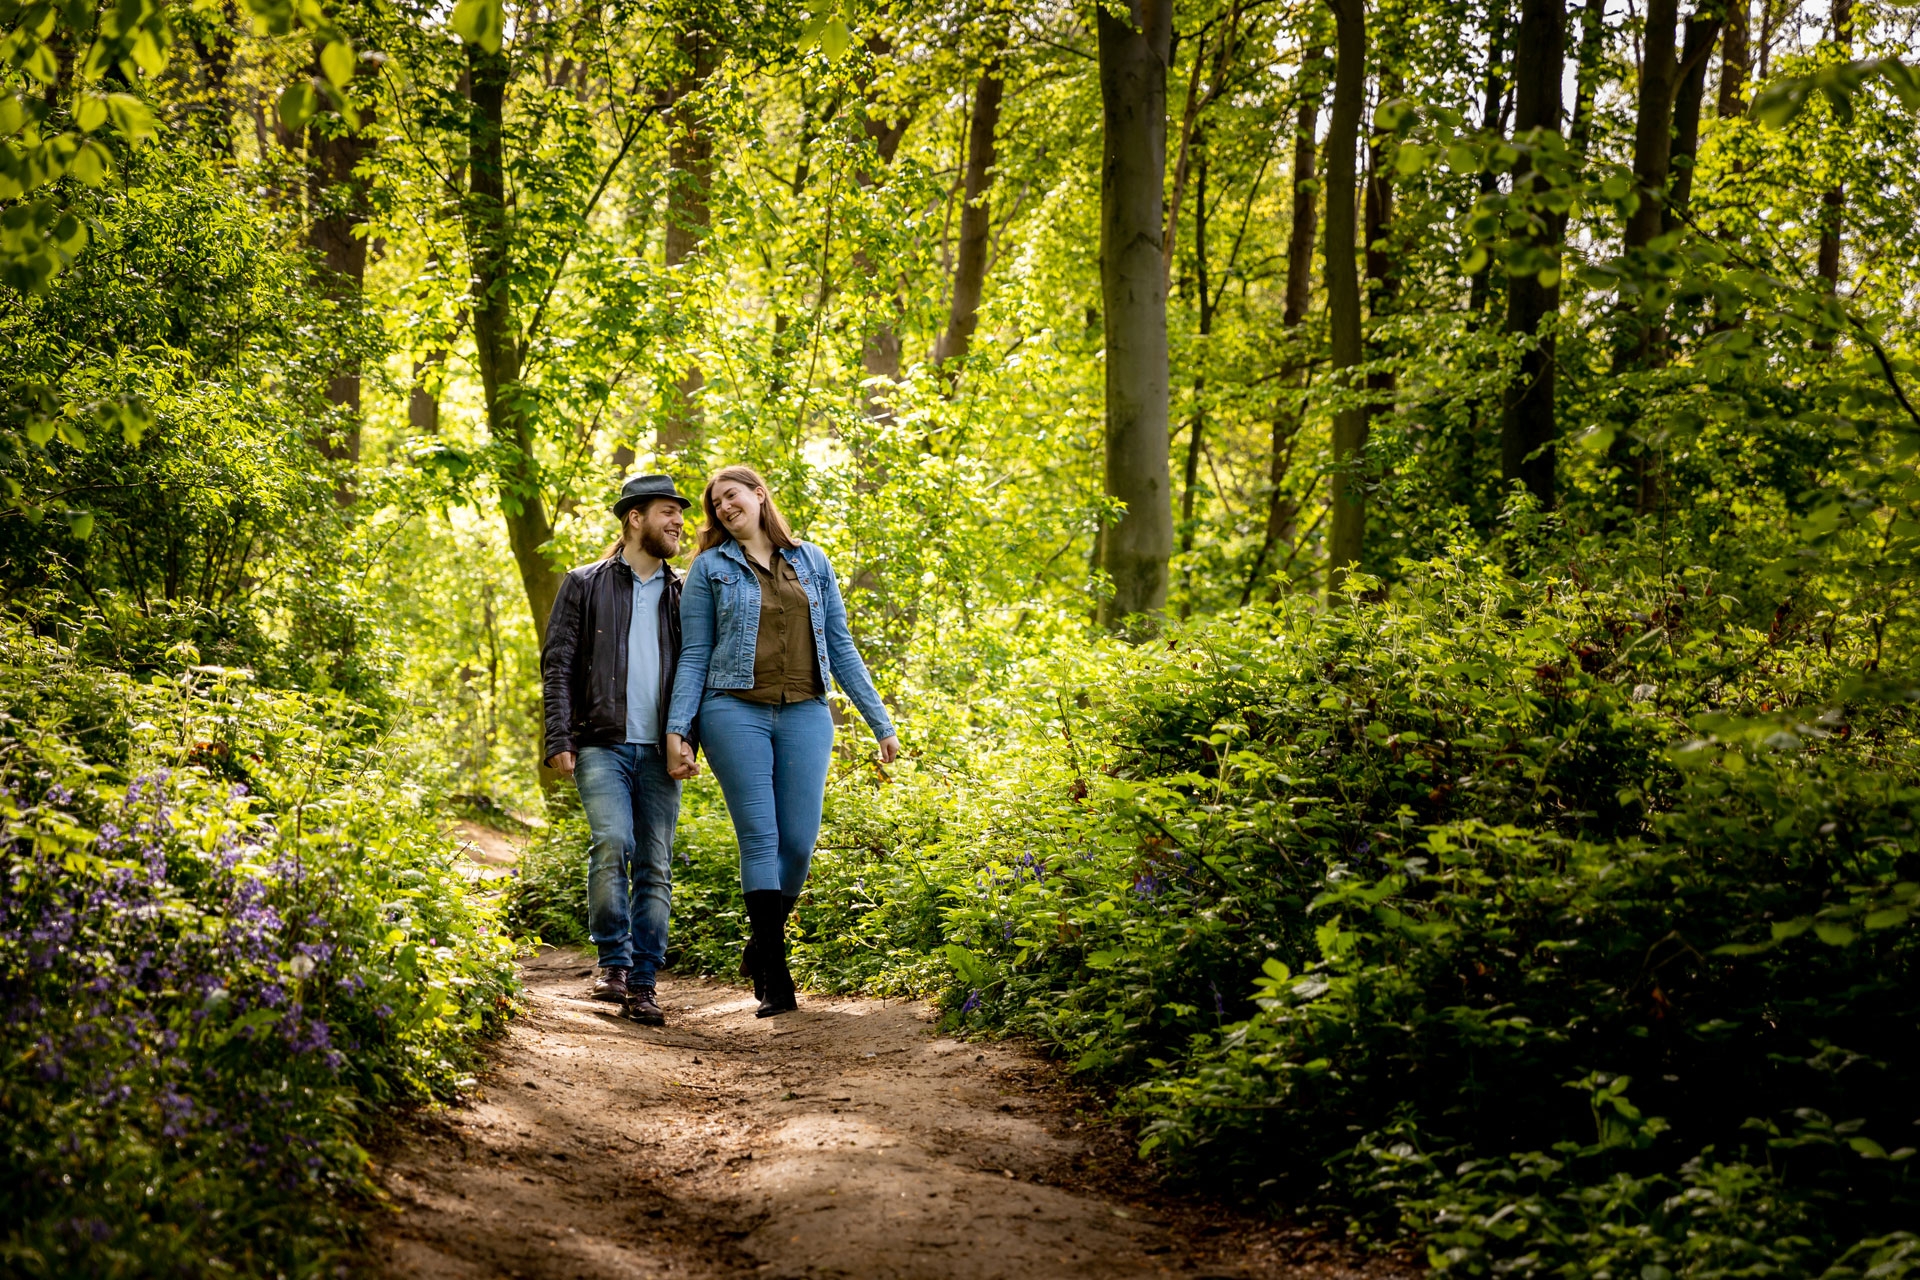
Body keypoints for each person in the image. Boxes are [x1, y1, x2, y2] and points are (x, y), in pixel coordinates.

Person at [666, 465, 901, 1018]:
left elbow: (840, 645)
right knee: (761, 838)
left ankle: (760, 941)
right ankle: (777, 977)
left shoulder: (813, 560)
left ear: (758, 494)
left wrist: (880, 721)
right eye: (715, 503)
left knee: (798, 842)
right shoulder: (709, 569)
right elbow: (694, 653)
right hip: (731, 710)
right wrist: (680, 729)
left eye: (731, 495)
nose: (723, 507)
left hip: (806, 712)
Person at [541, 474, 703, 1027]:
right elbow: (558, 664)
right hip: (600, 742)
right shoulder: (583, 584)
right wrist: (558, 737)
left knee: (655, 862)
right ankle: (613, 961)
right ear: (635, 517)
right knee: (612, 841)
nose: (679, 521)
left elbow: (696, 673)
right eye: (667, 511)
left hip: (663, 750)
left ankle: (643, 982)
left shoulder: (685, 593)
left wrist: (691, 740)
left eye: (679, 512)